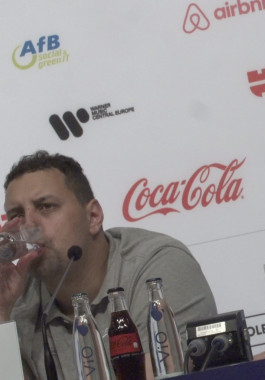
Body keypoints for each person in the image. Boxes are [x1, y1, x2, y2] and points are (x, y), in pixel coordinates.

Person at [0, 150, 218, 379]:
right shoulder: (15, 299)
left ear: (93, 216)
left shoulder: (156, 269)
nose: (28, 226)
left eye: (45, 206)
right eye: (17, 215)